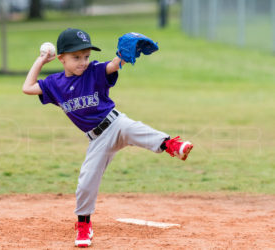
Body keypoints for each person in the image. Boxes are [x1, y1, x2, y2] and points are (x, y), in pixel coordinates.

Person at [22, 28, 193, 248]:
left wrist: (121, 56)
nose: (83, 61)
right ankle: (84, 226)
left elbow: (112, 65)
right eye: (76, 57)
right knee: (86, 182)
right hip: (97, 140)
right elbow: (27, 88)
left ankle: (172, 145)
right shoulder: (55, 84)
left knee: (135, 129)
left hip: (115, 123)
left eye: (86, 56)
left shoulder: (93, 71)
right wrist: (41, 60)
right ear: (62, 58)